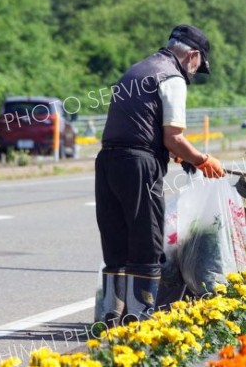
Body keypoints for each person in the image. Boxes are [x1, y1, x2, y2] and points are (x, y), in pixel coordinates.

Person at [95, 24, 225, 326]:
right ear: (192, 55)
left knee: (117, 242)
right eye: (197, 66)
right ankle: (140, 319)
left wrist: (171, 150)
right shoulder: (173, 77)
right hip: (138, 164)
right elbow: (173, 137)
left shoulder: (138, 69)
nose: (194, 73)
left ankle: (110, 319)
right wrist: (203, 160)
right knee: (146, 241)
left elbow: (141, 124)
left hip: (108, 160)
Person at [155, 175, 246, 309]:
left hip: (182, 281)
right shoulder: (216, 227)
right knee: (162, 316)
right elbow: (209, 278)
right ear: (241, 206)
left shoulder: (222, 220)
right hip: (175, 282)